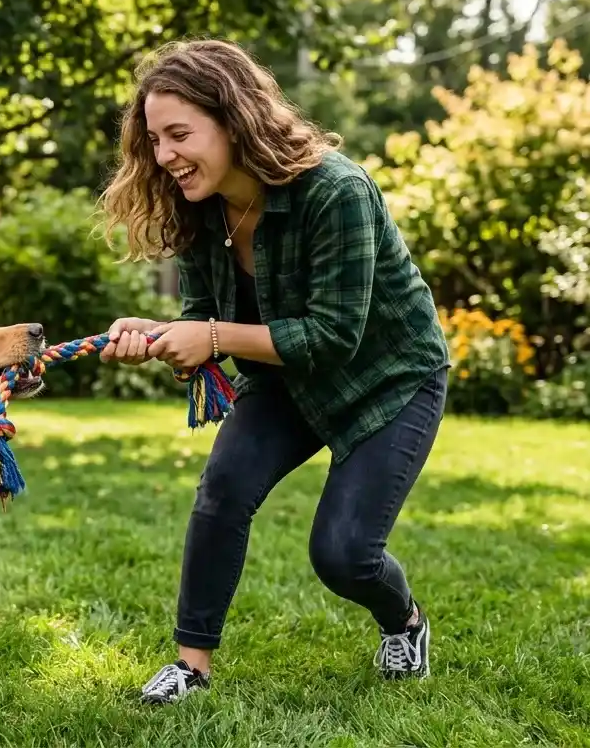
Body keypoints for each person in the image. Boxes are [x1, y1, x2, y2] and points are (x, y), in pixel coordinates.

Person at [94, 38, 452, 705]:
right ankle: (191, 665)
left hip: (389, 379)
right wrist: (162, 334)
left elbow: (336, 337)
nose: (164, 155)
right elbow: (204, 317)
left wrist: (210, 335)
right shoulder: (197, 208)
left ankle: (403, 621)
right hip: (286, 378)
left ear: (233, 120)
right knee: (223, 489)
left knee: (343, 554)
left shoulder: (335, 190)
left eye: (179, 134)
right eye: (154, 139)